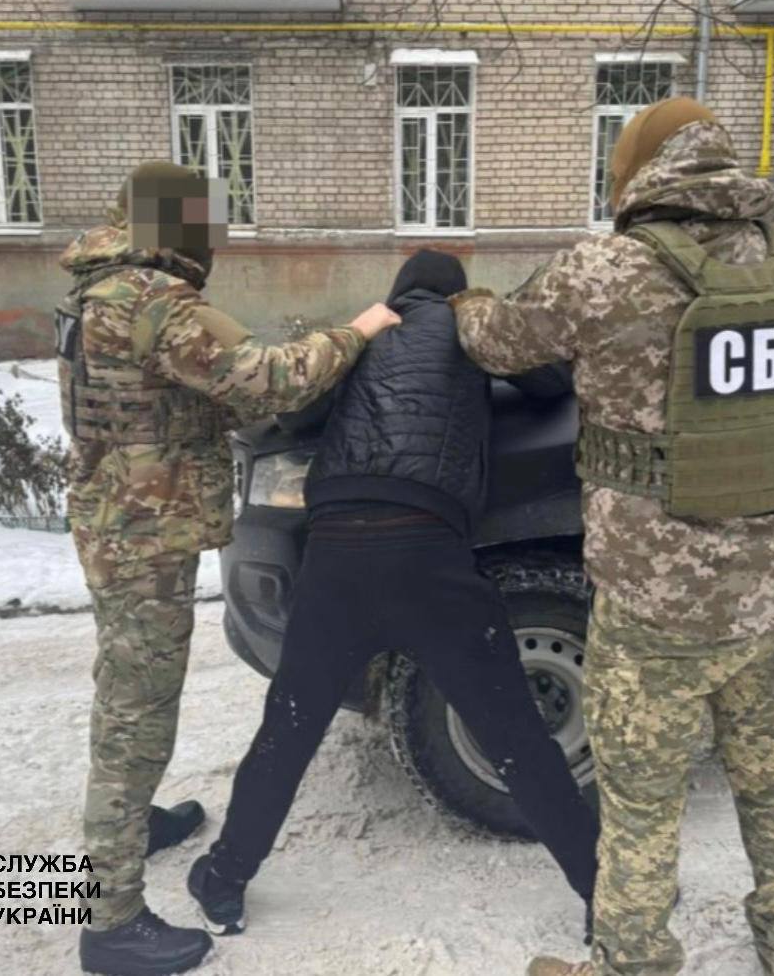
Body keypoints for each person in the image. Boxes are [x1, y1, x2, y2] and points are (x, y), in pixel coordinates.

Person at [448, 100, 774, 976]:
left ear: (638, 171)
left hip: (653, 610)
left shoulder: (605, 272)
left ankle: (633, 963)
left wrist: (460, 298)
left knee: (642, 799)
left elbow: (496, 343)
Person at [187, 249, 600, 941]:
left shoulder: (362, 334)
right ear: (456, 294)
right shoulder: (472, 327)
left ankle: (224, 880)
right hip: (429, 554)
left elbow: (293, 417)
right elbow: (549, 383)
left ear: (398, 292)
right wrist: (481, 320)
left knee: (287, 730)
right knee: (514, 735)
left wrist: (354, 337)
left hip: (336, 558)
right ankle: (601, 890)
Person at [63, 161, 400, 976]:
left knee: (128, 689)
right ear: (175, 223)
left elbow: (187, 391)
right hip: (143, 533)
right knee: (137, 711)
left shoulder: (100, 289)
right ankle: (110, 921)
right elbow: (270, 380)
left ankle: (131, 824)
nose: (213, 238)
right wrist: (359, 330)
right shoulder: (152, 299)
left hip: (120, 517)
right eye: (205, 222)